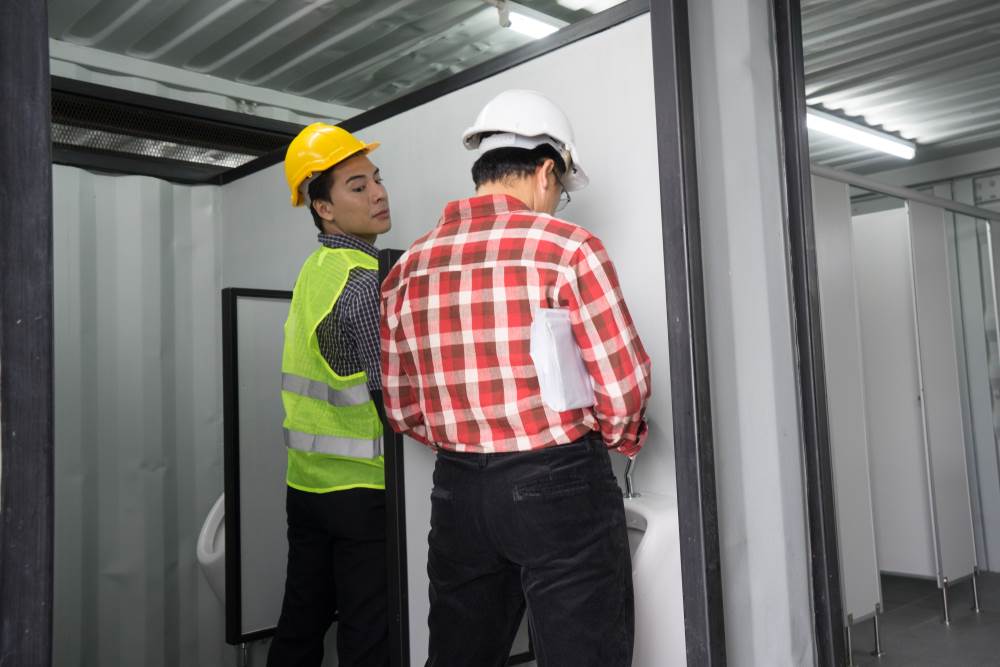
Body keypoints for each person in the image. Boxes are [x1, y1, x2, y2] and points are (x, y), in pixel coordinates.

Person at [380, 90, 651, 667]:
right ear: (546, 169)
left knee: (460, 655)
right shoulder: (567, 248)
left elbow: (401, 409)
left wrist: (470, 442)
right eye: (560, 191)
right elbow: (623, 385)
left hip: (457, 491)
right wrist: (618, 436)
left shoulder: (410, 266)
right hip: (558, 479)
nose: (557, 204)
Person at [268, 123, 391, 667]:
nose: (379, 194)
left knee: (299, 627)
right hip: (363, 494)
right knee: (369, 639)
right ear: (324, 207)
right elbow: (390, 393)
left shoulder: (313, 271)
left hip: (307, 487)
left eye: (377, 180)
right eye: (357, 187)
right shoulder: (366, 280)